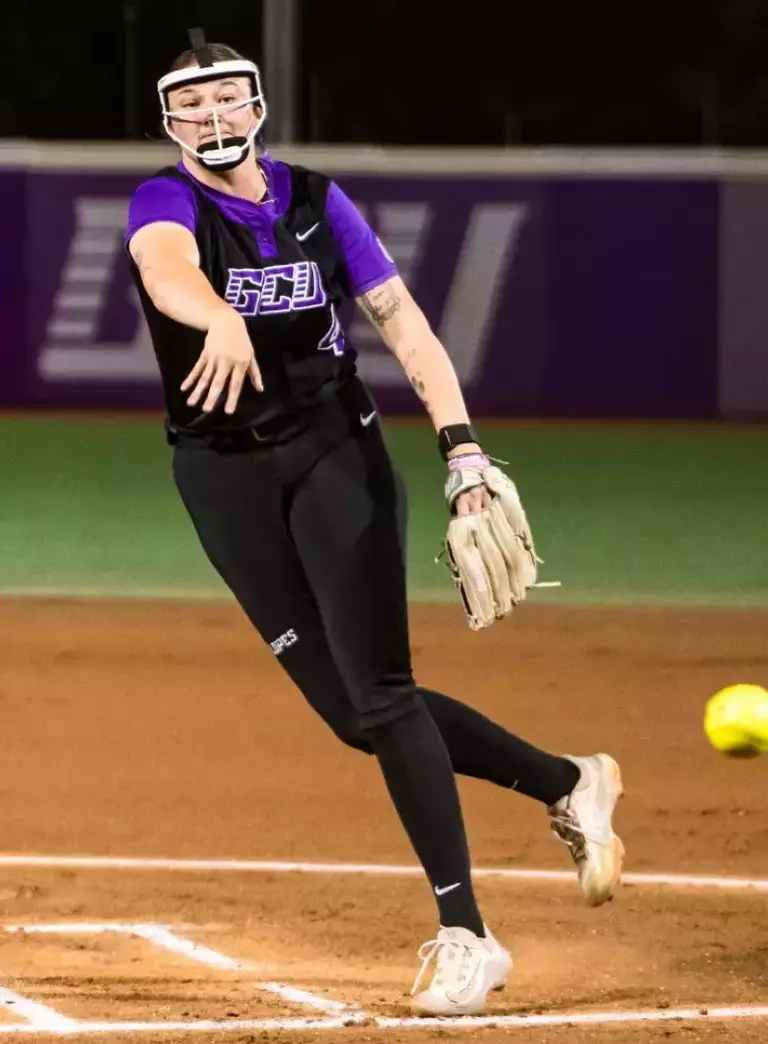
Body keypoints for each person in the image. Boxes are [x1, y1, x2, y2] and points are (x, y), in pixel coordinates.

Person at [124, 29, 625, 1017]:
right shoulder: (166, 200)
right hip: (218, 475)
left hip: (331, 453)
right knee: (355, 715)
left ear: (258, 105)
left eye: (230, 99)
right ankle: (569, 782)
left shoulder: (315, 201)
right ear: (169, 122)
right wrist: (211, 313)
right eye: (192, 106)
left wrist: (463, 448)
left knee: (384, 691)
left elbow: (404, 324)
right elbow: (162, 267)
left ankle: (466, 935)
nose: (214, 120)